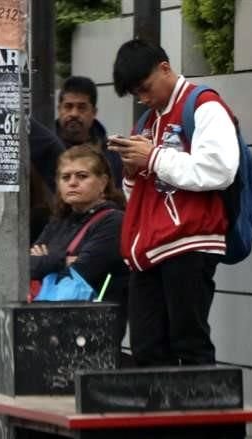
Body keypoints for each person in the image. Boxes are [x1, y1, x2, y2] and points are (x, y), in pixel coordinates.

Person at [108, 39, 239, 366]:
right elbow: (137, 195)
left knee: (189, 343)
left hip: (190, 242)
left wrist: (152, 157)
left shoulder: (204, 105)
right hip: (148, 248)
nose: (143, 97)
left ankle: (204, 416)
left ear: (165, 68)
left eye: (145, 87)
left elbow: (220, 169)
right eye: (136, 93)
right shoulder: (147, 122)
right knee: (146, 349)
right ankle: (162, 418)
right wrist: (131, 170)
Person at [31, 144, 129, 334]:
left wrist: (46, 259)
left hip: (94, 328)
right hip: (51, 323)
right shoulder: (58, 222)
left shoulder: (113, 220)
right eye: (65, 177)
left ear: (103, 182)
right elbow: (27, 266)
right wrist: (62, 260)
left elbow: (84, 269)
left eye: (82, 176)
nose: (72, 183)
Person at [56, 76, 123, 186]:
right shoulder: (45, 149)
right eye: (68, 106)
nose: (74, 113)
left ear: (94, 112)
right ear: (59, 109)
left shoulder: (112, 156)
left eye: (81, 107)